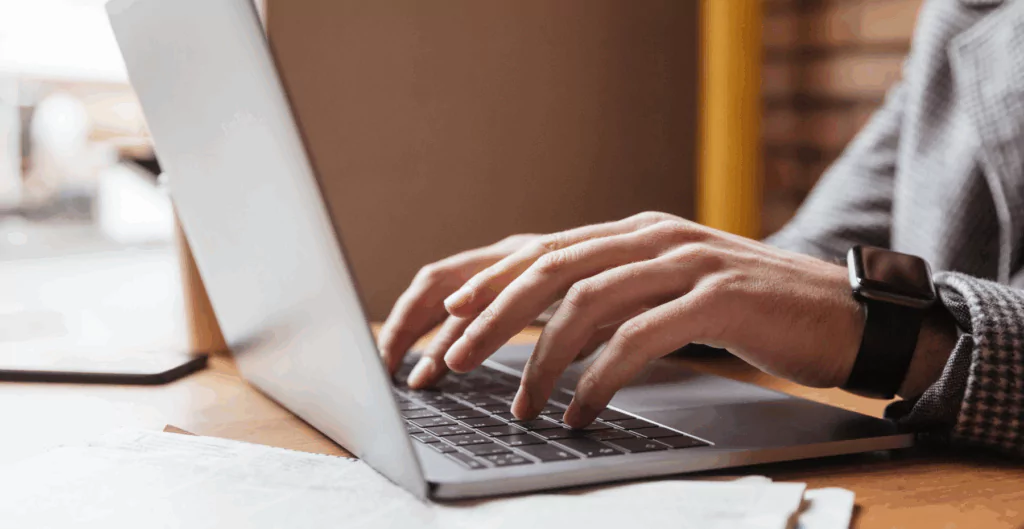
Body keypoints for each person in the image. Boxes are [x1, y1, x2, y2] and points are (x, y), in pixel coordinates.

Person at [378, 0, 1024, 457]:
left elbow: (847, 310)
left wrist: (897, 335)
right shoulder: (968, 10)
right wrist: (632, 272)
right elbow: (813, 261)